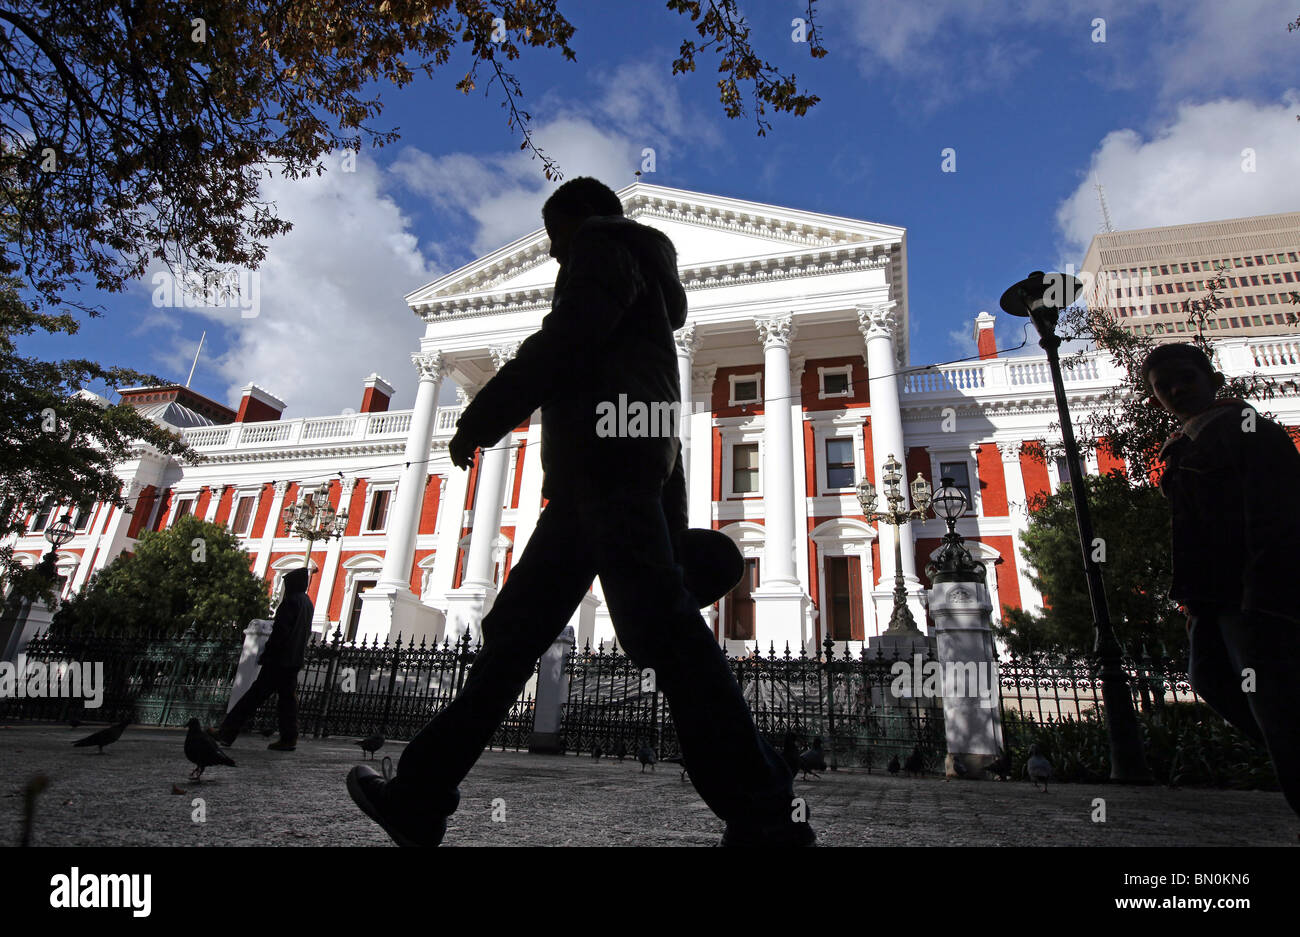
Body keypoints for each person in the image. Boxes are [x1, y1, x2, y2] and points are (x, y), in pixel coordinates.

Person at [347, 177, 814, 846]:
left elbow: (562, 342)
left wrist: (483, 418)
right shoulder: (649, 301)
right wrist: (671, 519)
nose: (556, 255)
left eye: (555, 239)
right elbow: (666, 430)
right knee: (525, 640)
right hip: (607, 478)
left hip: (600, 474)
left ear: (577, 223)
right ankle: (418, 795)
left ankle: (768, 810)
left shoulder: (601, 249)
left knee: (662, 638)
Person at [1144, 342, 1300, 819]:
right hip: (1209, 597)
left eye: (1185, 377)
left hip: (1250, 595)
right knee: (1209, 678)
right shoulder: (1186, 444)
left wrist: (1265, 589)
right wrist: (1191, 602)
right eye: (1163, 386)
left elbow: (1280, 511)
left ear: (1212, 378)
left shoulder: (1247, 431)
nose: (1176, 389)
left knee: (1273, 704)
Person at [216, 566, 314, 751]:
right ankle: (289, 738)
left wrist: (268, 653)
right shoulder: (308, 603)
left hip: (279, 660)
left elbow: (280, 632)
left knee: (253, 697)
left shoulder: (291, 602)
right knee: (287, 701)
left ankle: (226, 732)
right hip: (294, 660)